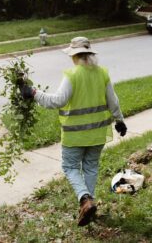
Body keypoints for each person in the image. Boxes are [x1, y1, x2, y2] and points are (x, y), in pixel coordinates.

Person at [20, 37, 127, 226]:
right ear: (90, 54)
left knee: (70, 167)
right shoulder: (102, 73)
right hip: (97, 134)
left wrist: (33, 93)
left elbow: (57, 101)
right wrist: (120, 120)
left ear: (74, 56)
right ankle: (89, 204)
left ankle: (84, 199)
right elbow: (114, 101)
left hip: (74, 135)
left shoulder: (72, 74)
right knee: (91, 166)